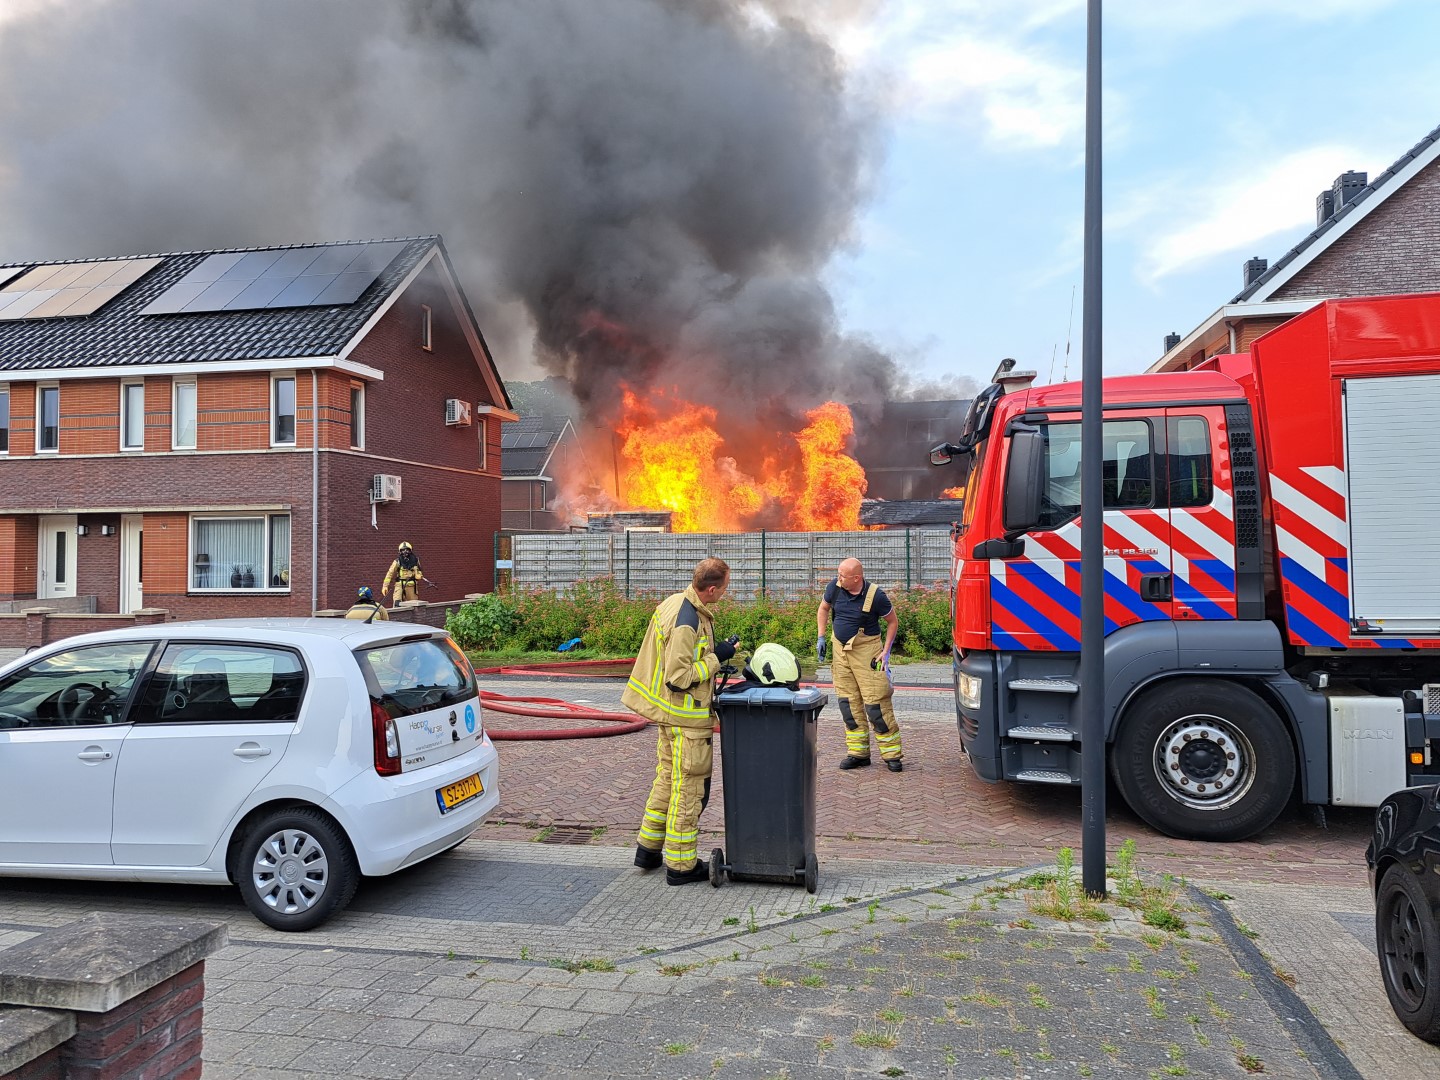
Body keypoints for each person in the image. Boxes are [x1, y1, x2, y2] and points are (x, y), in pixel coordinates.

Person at [623, 557, 738, 885]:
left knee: (667, 781)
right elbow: (678, 676)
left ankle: (648, 849)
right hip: (687, 720)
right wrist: (719, 658)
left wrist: (717, 651)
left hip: (671, 716)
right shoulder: (687, 619)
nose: (725, 594)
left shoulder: (676, 603)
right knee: (689, 791)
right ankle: (681, 866)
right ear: (712, 589)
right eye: (724, 589)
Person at [817, 557, 903, 771]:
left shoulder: (876, 596)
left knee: (876, 704)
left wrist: (886, 651)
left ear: (857, 578)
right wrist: (821, 636)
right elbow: (823, 609)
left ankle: (892, 755)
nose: (838, 578)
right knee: (848, 703)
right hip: (840, 652)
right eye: (838, 574)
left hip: (867, 653)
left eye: (842, 576)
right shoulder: (834, 588)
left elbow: (892, 621)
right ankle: (858, 753)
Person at [382, 541, 426, 606]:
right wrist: (385, 586)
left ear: (410, 550)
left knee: (414, 606)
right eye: (403, 550)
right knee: (397, 604)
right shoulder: (397, 561)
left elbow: (419, 571)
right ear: (400, 551)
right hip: (400, 586)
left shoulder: (415, 560)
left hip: (412, 587)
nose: (405, 552)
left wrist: (418, 575)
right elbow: (390, 574)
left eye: (407, 550)